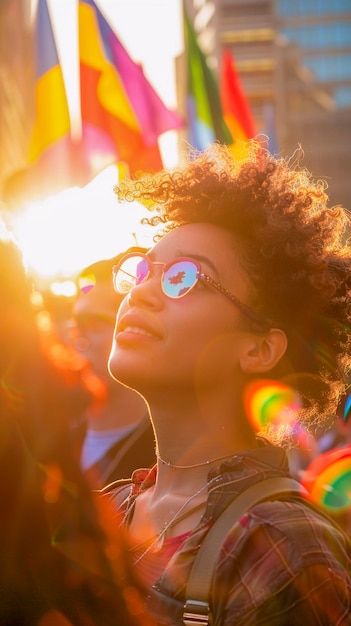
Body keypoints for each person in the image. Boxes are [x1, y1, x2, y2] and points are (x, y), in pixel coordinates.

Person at [104, 141, 351, 625]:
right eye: (143, 269)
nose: (144, 291)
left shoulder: (286, 544)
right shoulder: (103, 510)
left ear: (259, 348)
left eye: (184, 278)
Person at [0, 220, 151, 625]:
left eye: (96, 323)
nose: (74, 333)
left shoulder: (158, 459)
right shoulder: (42, 441)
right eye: (73, 320)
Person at [70, 248, 156, 487]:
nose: (78, 340)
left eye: (94, 325)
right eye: (75, 325)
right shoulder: (48, 433)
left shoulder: (164, 461)